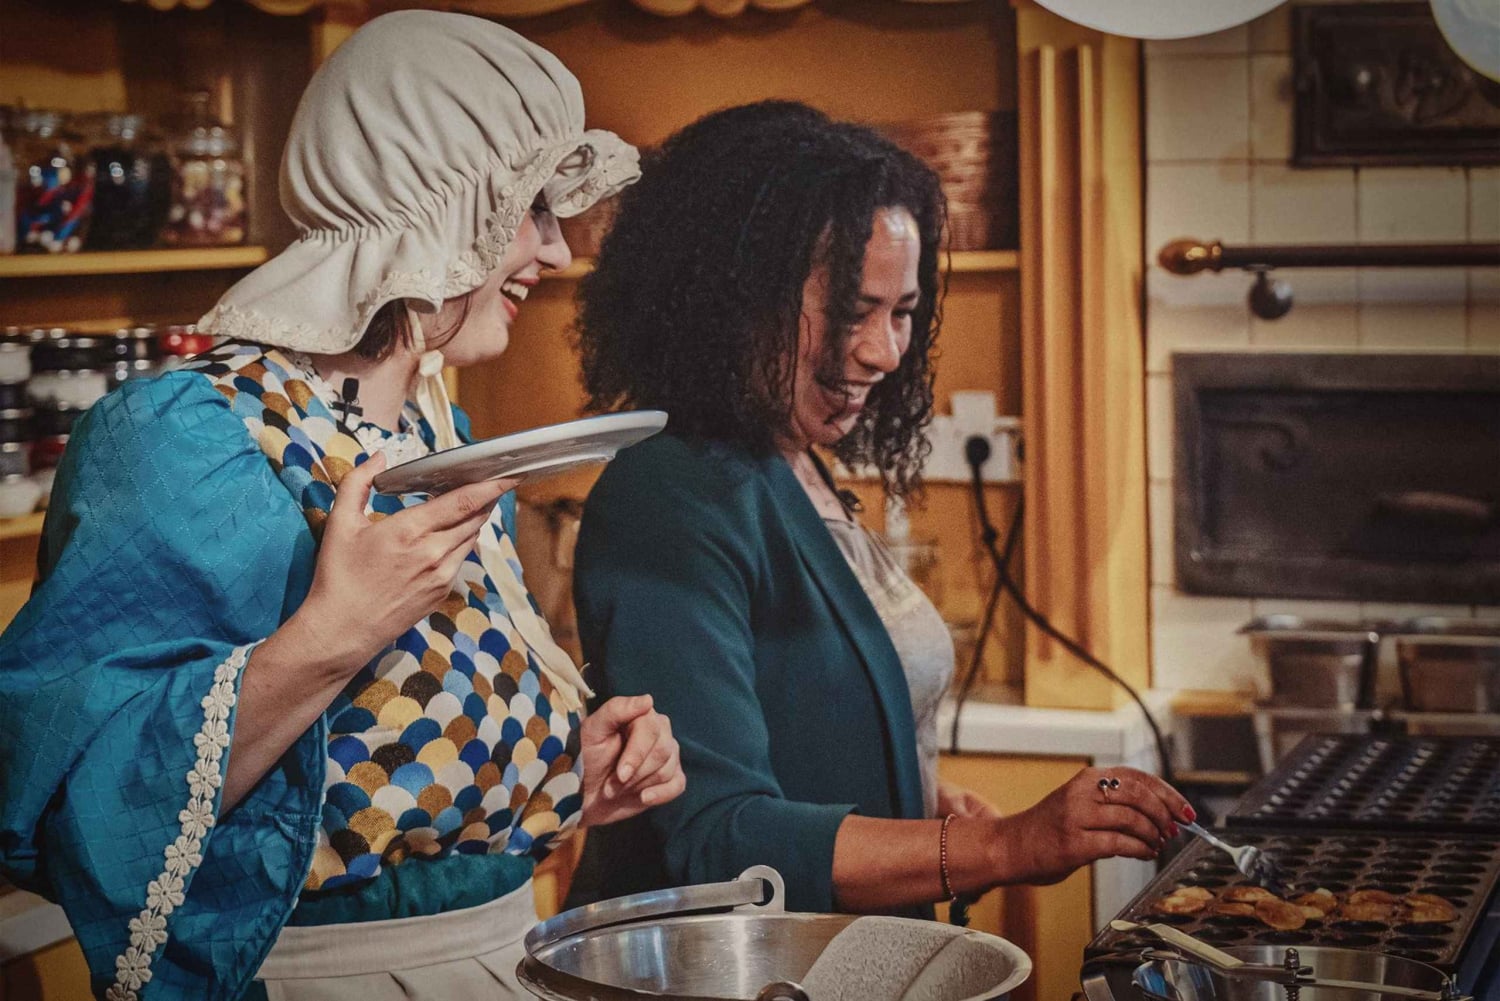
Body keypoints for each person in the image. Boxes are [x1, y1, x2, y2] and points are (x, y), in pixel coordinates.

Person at [0, 12, 683, 1000]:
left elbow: (384, 777)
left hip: (503, 959)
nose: (556, 246)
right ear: (435, 203)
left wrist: (568, 777)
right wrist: (331, 633)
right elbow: (61, 803)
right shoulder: (186, 436)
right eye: (530, 204)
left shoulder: (437, 428)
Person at [566, 101, 1192, 918]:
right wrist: (1002, 847)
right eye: (854, 310)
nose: (885, 351)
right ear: (735, 301)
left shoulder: (792, 466)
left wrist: (919, 799)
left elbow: (811, 730)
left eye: (902, 313)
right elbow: (720, 837)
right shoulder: (671, 494)